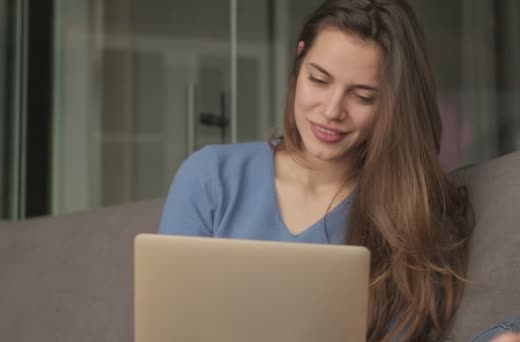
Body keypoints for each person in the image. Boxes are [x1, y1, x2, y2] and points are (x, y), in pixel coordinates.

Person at [159, 0, 515, 340]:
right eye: (319, 79)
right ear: (299, 61)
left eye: (362, 96)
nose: (332, 110)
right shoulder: (211, 177)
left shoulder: (405, 215)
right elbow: (165, 327)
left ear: (392, 107)